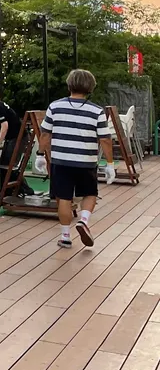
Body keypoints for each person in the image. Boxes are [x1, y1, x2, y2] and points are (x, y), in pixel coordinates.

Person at [39, 68, 114, 249]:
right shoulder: (96, 111)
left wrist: (40, 155)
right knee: (90, 193)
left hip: (61, 161)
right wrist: (110, 164)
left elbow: (45, 135)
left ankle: (65, 236)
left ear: (69, 85)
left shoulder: (54, 107)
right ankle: (84, 221)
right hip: (86, 162)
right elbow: (104, 139)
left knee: (63, 198)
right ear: (91, 87)